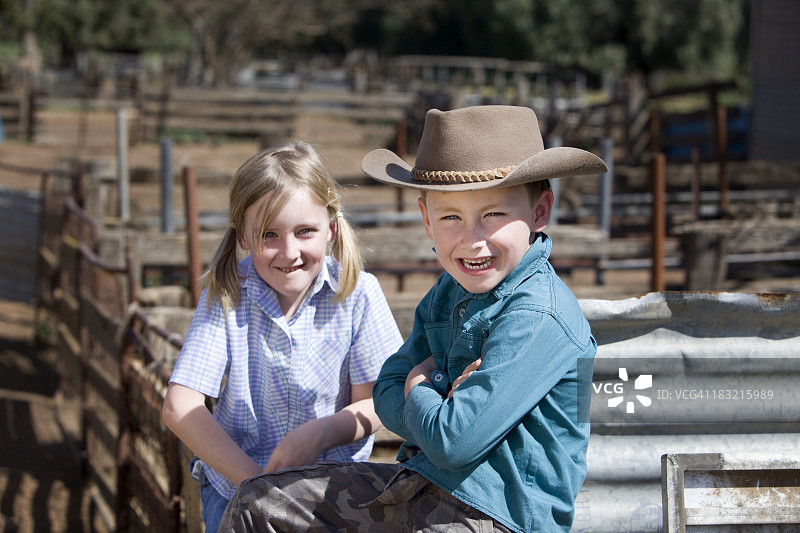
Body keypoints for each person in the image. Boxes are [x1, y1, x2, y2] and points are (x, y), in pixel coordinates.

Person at [218, 105, 608, 532]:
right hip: (424, 489)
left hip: (499, 516)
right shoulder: (448, 291)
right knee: (258, 503)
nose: (472, 240)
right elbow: (386, 393)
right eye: (451, 217)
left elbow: (453, 442)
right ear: (426, 219)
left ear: (539, 211)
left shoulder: (538, 315)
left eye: (494, 214)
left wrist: (422, 385)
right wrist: (442, 402)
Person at [161, 141, 403, 533]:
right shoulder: (227, 294)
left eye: (305, 231)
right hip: (237, 487)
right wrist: (258, 483)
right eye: (269, 235)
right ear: (243, 237)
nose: (289, 252)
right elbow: (180, 405)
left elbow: (377, 400)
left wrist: (321, 433)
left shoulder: (358, 293)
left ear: (331, 228)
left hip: (332, 493)